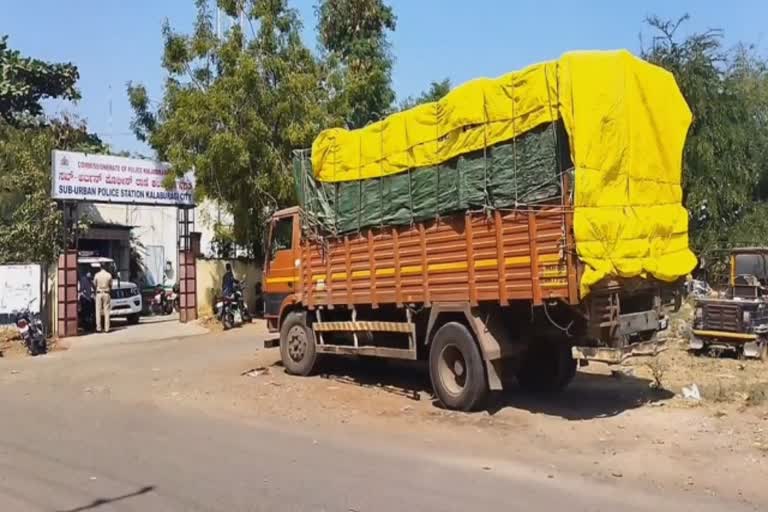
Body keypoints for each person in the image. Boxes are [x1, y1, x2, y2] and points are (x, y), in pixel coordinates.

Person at [94, 264, 113, 333]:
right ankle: (107, 328)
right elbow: (111, 285)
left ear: (100, 267)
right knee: (107, 311)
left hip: (99, 293)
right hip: (106, 293)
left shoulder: (97, 275)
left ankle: (98, 328)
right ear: (106, 267)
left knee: (98, 311)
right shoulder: (109, 275)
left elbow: (94, 284)